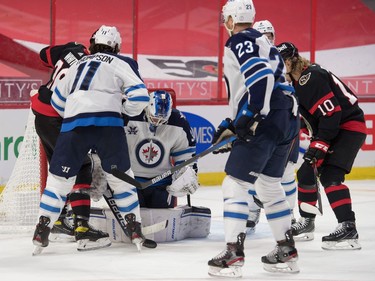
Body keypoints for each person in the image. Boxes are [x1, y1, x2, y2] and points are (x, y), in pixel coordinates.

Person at [31, 25, 150, 254]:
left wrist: (76, 112)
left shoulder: (78, 64)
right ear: (116, 46)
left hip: (74, 124)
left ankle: (42, 229)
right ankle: (135, 229)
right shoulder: (122, 62)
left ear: (92, 42)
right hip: (109, 126)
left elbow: (57, 101)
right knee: (121, 180)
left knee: (59, 181)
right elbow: (140, 96)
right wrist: (124, 110)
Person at [207, 0, 300, 277]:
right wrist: (233, 122)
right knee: (269, 185)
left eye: (227, 18)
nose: (225, 23)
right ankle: (286, 249)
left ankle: (233, 253)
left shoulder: (241, 40)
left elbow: (259, 79)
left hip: (267, 115)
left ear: (233, 19)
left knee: (234, 183)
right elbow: (261, 81)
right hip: (286, 119)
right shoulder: (261, 40)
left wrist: (249, 117)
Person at [275, 42, 366, 250]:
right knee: (306, 171)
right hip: (336, 129)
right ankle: (307, 222)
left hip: (348, 128)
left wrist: (320, 144)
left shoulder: (309, 78)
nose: (277, 68)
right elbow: (308, 119)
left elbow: (331, 114)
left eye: (280, 63)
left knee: (330, 176)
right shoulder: (299, 82)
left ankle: (348, 227)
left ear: (290, 61)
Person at [31, 42, 110, 250]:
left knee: (58, 169)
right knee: (81, 167)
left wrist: (67, 51)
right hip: (59, 119)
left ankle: (57, 222)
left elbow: (43, 54)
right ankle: (82, 229)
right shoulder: (96, 68)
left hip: (40, 114)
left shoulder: (73, 49)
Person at [246, 20, 299, 231]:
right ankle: (251, 212)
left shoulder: (282, 60)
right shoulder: (248, 61)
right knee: (250, 170)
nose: (267, 39)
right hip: (259, 125)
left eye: (270, 35)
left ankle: (291, 215)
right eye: (262, 35)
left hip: (284, 124)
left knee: (286, 172)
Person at [125, 90, 198, 209]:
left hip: (161, 183)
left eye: (162, 120)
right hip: (131, 181)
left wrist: (186, 171)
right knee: (133, 221)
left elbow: (185, 154)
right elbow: (113, 146)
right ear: (147, 108)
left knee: (162, 221)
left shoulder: (178, 121)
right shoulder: (129, 116)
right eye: (154, 118)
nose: (157, 122)